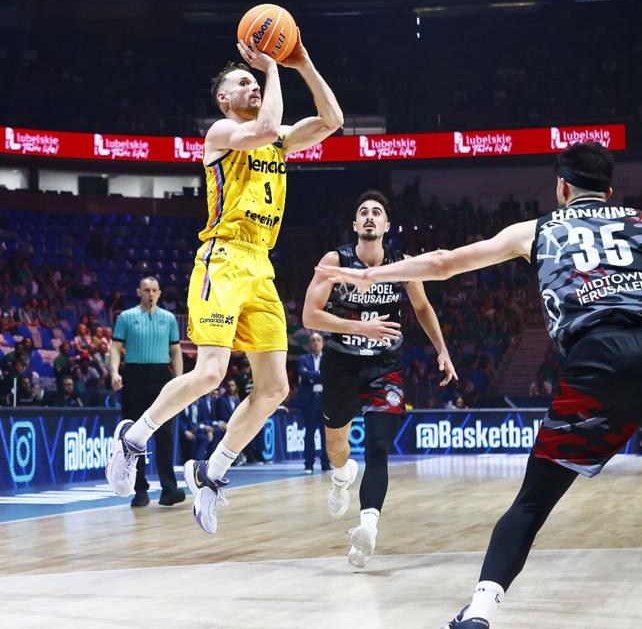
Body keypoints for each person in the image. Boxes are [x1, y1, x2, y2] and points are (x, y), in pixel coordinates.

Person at [317, 142, 642, 628]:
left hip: (601, 360)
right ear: (610, 192)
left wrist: (373, 273)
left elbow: (443, 263)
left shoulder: (538, 228)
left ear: (562, 187)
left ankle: (479, 611)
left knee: (532, 501)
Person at [106, 35, 343, 533]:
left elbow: (332, 121)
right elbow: (259, 129)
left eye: (255, 80)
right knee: (211, 371)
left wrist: (302, 61)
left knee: (275, 386)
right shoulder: (220, 133)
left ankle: (210, 474)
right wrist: (274, 70)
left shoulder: (279, 138)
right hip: (223, 258)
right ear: (223, 98)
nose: (252, 85)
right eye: (243, 81)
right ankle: (134, 437)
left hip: (262, 266)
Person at [303, 189, 456, 568]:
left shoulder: (402, 264)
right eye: (363, 212)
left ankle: (368, 525)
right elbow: (309, 316)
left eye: (377, 213)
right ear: (356, 225)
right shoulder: (336, 260)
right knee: (337, 448)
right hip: (341, 363)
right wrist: (355, 326)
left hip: (384, 366)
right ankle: (341, 477)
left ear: (387, 225)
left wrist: (442, 349)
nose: (370, 217)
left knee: (378, 447)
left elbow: (422, 306)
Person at [109, 276, 185, 508]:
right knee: (134, 436)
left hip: (162, 378)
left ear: (159, 293)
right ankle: (139, 490)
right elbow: (115, 347)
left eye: (154, 290)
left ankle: (169, 490)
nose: (150, 294)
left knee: (165, 436)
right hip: (134, 377)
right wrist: (114, 372)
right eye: (146, 290)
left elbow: (176, 350)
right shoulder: (126, 317)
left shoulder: (169, 319)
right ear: (138, 292)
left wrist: (180, 380)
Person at [295, 333, 330, 473]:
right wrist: (321, 375)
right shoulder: (303, 359)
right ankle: (308, 464)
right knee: (309, 433)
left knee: (325, 434)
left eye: (318, 340)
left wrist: (312, 375)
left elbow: (330, 375)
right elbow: (302, 373)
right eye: (313, 340)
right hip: (309, 401)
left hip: (324, 400)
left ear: (323, 343)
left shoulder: (328, 359)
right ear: (309, 344)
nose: (315, 342)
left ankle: (326, 464)